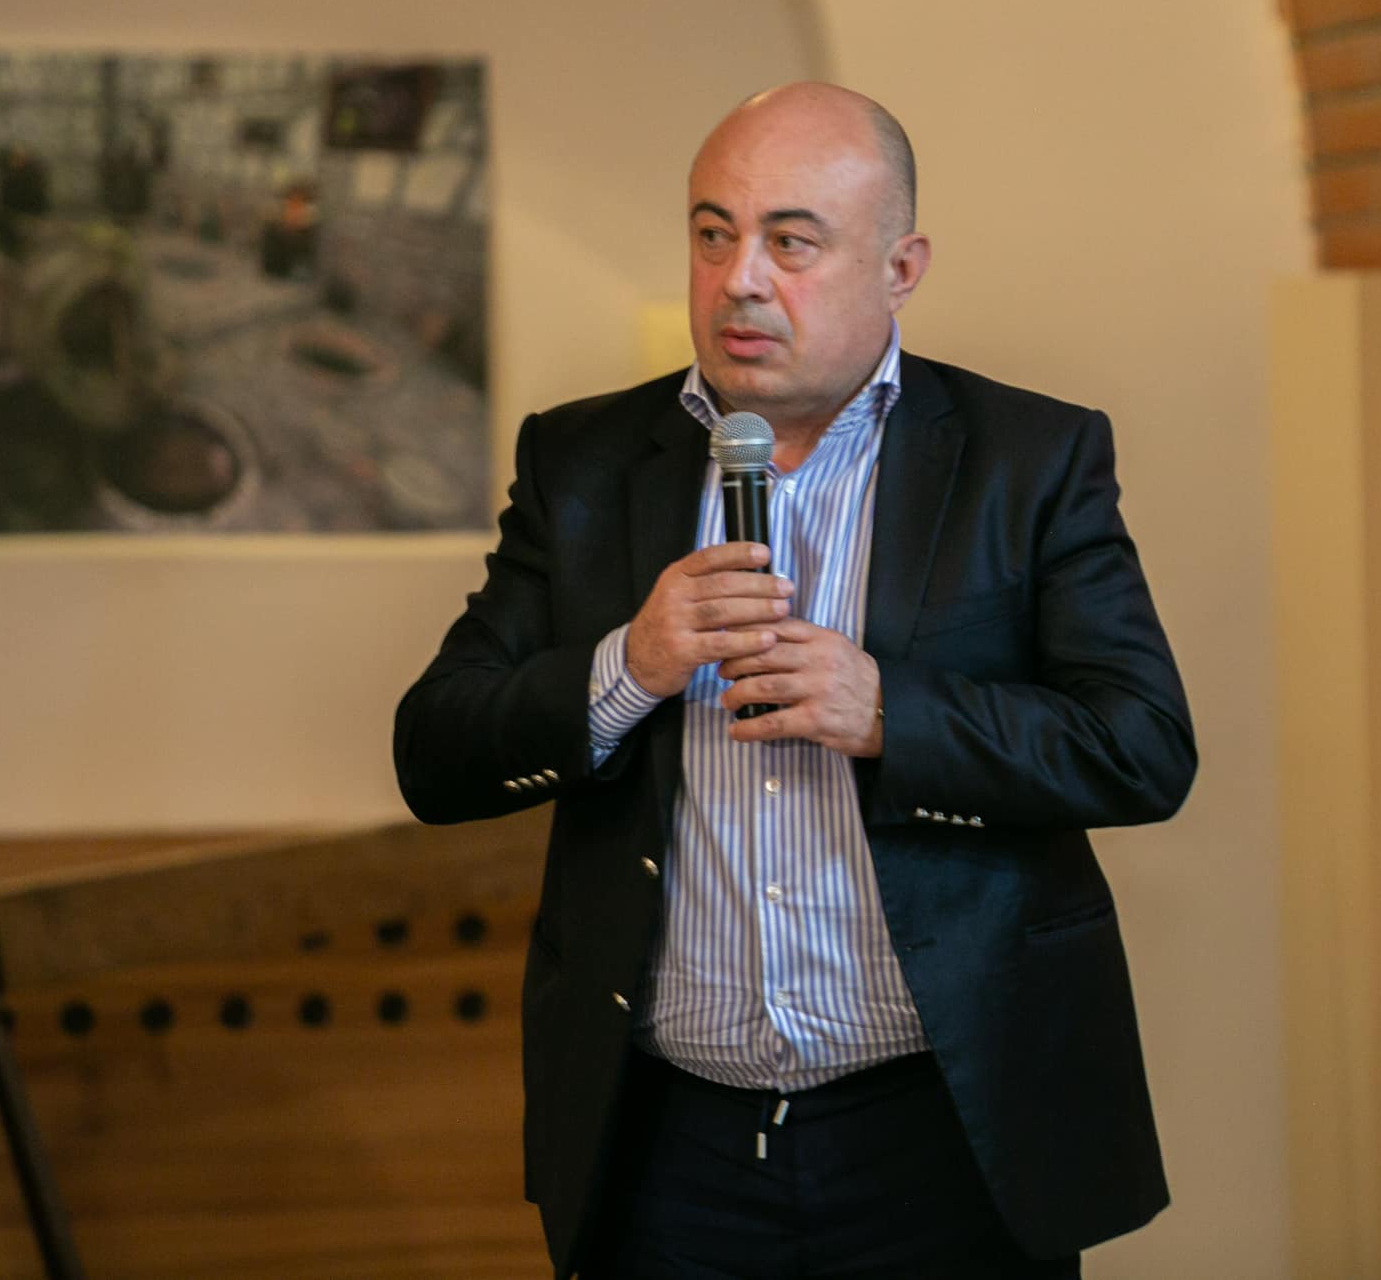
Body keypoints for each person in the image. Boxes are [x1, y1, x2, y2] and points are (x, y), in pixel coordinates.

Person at [394, 82, 1195, 1279]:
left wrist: (889, 712)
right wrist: (629, 665)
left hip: (948, 1127)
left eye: (791, 241)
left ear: (899, 266)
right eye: (712, 234)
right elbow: (435, 751)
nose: (740, 281)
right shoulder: (582, 460)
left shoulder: (1026, 457)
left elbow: (1138, 745)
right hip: (665, 1147)